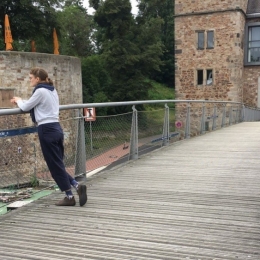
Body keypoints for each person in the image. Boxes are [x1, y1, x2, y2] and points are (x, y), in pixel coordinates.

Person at [10, 67, 87, 207]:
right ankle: (75, 187)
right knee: (58, 163)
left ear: (38, 79)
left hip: (46, 129)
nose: (30, 80)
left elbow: (26, 107)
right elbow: (37, 103)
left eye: (31, 78)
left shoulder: (40, 91)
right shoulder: (52, 90)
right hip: (57, 128)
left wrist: (19, 100)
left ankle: (70, 195)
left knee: (54, 166)